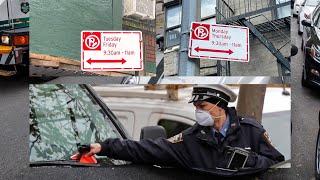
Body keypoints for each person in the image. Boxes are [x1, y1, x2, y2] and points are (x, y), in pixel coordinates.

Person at [85, 85, 284, 177]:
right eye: (196, 107)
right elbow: (146, 149)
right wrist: (103, 147)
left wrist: (250, 162)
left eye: (202, 106)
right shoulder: (190, 140)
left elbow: (277, 164)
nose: (198, 111)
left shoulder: (251, 131)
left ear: (220, 106)